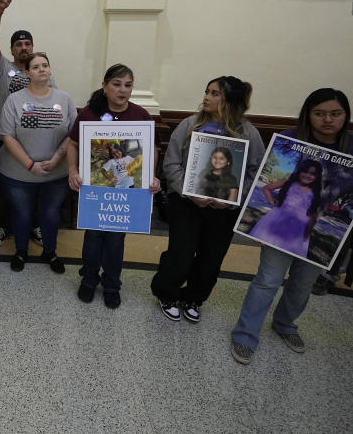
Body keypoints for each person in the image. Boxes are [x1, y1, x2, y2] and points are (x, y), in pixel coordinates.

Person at [230, 88, 353, 364]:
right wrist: (262, 219)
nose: (327, 120)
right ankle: (245, 335)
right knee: (267, 280)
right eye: (320, 113)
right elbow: (266, 185)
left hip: (306, 230)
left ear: (346, 115)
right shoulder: (290, 139)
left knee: (303, 284)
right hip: (278, 228)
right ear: (308, 115)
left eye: (335, 114)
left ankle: (285, 325)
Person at [150, 76, 264, 323]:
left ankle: (194, 298)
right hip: (187, 203)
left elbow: (256, 173)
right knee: (181, 252)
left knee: (211, 256)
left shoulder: (249, 133)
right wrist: (189, 192)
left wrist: (233, 198)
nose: (206, 97)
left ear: (230, 101)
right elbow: (171, 164)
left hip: (225, 208)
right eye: (207, 92)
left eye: (214, 94)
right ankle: (167, 293)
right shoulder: (190, 125)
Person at [67, 63, 161, 309]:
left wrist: (152, 176)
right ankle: (88, 278)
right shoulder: (89, 114)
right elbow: (73, 144)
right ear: (105, 86)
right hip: (95, 191)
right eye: (117, 84)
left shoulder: (141, 115)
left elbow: (153, 149)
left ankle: (111, 284)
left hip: (127, 193)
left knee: (116, 239)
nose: (123, 90)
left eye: (128, 85)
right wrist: (73, 171)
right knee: (93, 237)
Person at [0, 52, 76, 275]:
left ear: (50, 70)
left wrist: (57, 157)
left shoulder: (65, 99)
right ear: (28, 73)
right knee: (22, 213)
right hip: (18, 173)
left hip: (55, 172)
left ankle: (50, 251)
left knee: (50, 214)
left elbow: (73, 134)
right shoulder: (15, 100)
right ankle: (21, 251)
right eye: (35, 67)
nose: (41, 69)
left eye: (45, 65)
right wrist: (30, 165)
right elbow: (7, 135)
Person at [0, 0, 53, 247]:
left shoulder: (43, 72)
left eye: (27, 44)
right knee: (5, 190)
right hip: (7, 142)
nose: (24, 47)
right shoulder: (5, 70)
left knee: (36, 189)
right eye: (19, 44)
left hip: (37, 144)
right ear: (12, 49)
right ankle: (2, 226)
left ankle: (34, 226)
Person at [248, 159, 324, 258]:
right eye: (305, 171)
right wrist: (272, 202)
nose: (307, 175)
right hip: (277, 221)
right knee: (270, 255)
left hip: (297, 228)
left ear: (317, 176)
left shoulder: (315, 192)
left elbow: (313, 216)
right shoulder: (289, 182)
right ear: (300, 171)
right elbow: (266, 188)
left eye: (312, 174)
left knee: (284, 255)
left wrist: (306, 234)